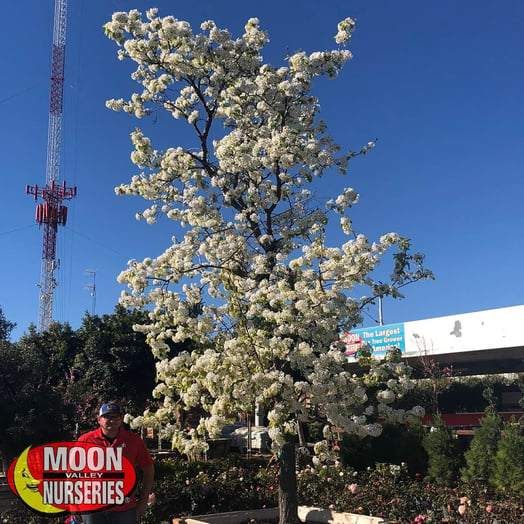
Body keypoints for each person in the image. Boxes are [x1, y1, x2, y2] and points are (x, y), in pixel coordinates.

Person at [76, 402, 154, 523]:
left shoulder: (134, 440)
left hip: (124, 508)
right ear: (99, 420)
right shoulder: (85, 440)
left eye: (115, 417)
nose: (111, 420)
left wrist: (143, 502)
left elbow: (149, 469)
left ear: (121, 419)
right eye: (107, 417)